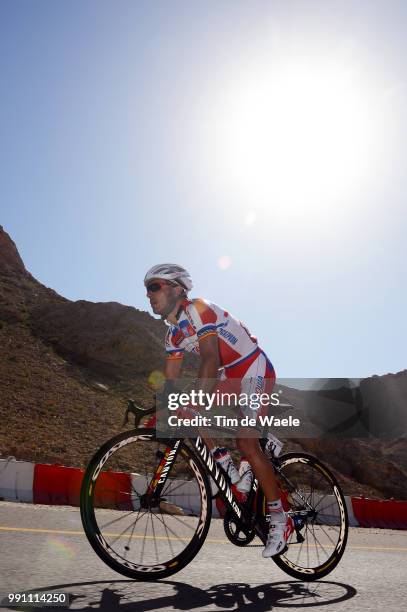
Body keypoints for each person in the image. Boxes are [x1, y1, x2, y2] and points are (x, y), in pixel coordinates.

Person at [143, 263, 293, 557]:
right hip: (230, 375)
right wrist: (162, 411)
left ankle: (280, 518)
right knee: (183, 410)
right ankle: (229, 470)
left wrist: (197, 402)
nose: (148, 294)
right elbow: (170, 383)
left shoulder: (198, 308)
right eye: (147, 289)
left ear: (176, 288)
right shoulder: (172, 336)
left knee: (245, 441)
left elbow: (210, 359)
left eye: (154, 287)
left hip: (253, 367)